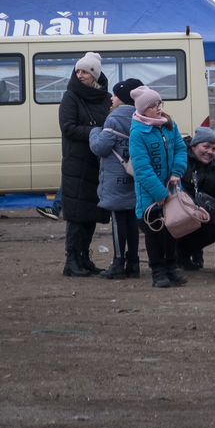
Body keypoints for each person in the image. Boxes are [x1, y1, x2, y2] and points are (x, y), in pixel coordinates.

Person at [128, 87, 188, 288]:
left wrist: (177, 171)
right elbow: (141, 168)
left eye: (159, 104)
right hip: (150, 195)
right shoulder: (138, 133)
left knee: (172, 230)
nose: (158, 108)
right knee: (154, 233)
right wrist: (158, 192)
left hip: (171, 190)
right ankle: (158, 271)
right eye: (152, 106)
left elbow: (180, 148)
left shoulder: (170, 125)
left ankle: (171, 267)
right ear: (143, 110)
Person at [58, 51, 111, 277]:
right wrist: (97, 132)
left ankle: (84, 258)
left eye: (86, 72)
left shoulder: (105, 98)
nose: (80, 75)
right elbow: (68, 128)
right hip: (77, 164)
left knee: (91, 213)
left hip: (97, 163)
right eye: (78, 71)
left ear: (95, 76)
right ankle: (71, 260)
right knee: (76, 215)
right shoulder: (70, 97)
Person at [89, 77, 143, 279]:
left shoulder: (114, 119)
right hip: (135, 177)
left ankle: (118, 263)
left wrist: (95, 131)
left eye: (115, 95)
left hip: (116, 179)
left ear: (123, 98)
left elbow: (100, 147)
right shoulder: (142, 117)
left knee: (119, 221)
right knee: (132, 221)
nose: (112, 98)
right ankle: (134, 263)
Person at [178, 127, 215, 270]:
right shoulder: (181, 162)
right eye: (206, 146)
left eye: (214, 149)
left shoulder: (212, 168)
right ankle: (179, 254)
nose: (210, 152)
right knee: (214, 225)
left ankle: (190, 253)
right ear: (194, 146)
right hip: (180, 211)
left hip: (202, 211)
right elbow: (184, 197)